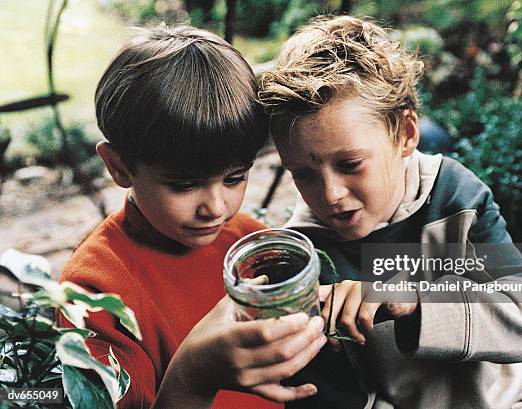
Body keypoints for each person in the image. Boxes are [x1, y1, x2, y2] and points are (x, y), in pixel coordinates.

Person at [259, 15, 522, 409]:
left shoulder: (455, 194)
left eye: (350, 164)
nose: (331, 195)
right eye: (303, 174)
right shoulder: (303, 255)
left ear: (406, 133)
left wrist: (415, 299)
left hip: (510, 397)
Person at [58, 24, 327, 409]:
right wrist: (190, 376)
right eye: (184, 185)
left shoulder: (248, 240)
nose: (216, 208)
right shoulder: (96, 290)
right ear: (118, 167)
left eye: (235, 178)